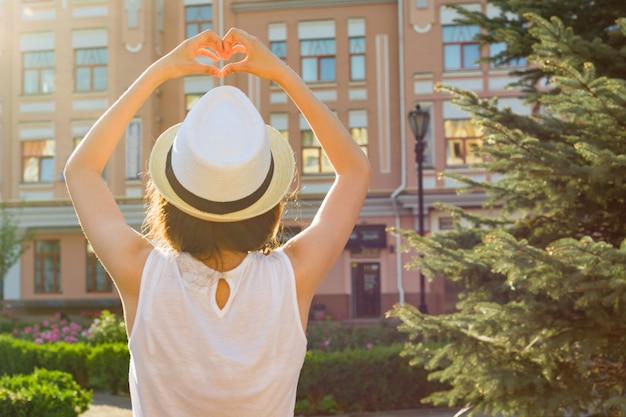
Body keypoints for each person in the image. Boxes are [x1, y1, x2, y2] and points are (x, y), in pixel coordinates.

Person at [64, 28, 371, 417]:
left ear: (170, 199)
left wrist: (158, 72)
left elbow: (81, 171)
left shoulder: (142, 273)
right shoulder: (292, 278)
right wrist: (281, 74)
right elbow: (355, 171)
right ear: (266, 204)